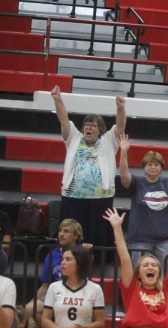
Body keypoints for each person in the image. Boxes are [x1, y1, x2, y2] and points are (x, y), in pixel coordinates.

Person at [50, 85, 125, 248]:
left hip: (100, 201)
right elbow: (63, 119)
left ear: (100, 130)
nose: (88, 127)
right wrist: (57, 99)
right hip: (72, 199)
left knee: (95, 243)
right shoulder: (73, 139)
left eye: (93, 125)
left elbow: (120, 127)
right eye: (86, 125)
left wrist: (120, 108)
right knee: (70, 241)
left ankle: (95, 272)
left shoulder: (108, 142)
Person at [118, 133, 168, 266]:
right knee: (139, 274)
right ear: (144, 167)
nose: (153, 167)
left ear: (161, 167)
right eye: (150, 164)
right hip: (139, 239)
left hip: (164, 240)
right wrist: (123, 152)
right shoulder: (137, 182)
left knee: (162, 276)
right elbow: (124, 175)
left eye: (156, 164)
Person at [24, 219, 91, 324]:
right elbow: (45, 285)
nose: (61, 234)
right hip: (55, 293)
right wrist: (32, 301)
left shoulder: (83, 253)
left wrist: (87, 252)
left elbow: (86, 276)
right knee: (29, 309)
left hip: (76, 294)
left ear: (76, 236)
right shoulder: (52, 254)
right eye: (60, 231)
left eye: (66, 231)